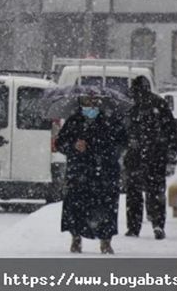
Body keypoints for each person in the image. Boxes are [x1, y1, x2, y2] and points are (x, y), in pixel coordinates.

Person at [57, 93, 128, 254]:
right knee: (76, 205)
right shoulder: (74, 121)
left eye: (94, 100)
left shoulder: (111, 121)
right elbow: (61, 142)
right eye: (87, 100)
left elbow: (121, 143)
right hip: (79, 171)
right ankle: (76, 237)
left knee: (106, 206)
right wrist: (74, 146)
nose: (91, 104)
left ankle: (106, 240)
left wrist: (101, 151)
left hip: (105, 172)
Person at [124, 76, 177, 240]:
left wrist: (128, 141)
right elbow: (171, 129)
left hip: (137, 156)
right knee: (155, 191)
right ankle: (158, 224)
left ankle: (134, 227)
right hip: (156, 155)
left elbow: (122, 130)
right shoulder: (159, 103)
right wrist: (170, 150)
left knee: (134, 193)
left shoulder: (130, 105)